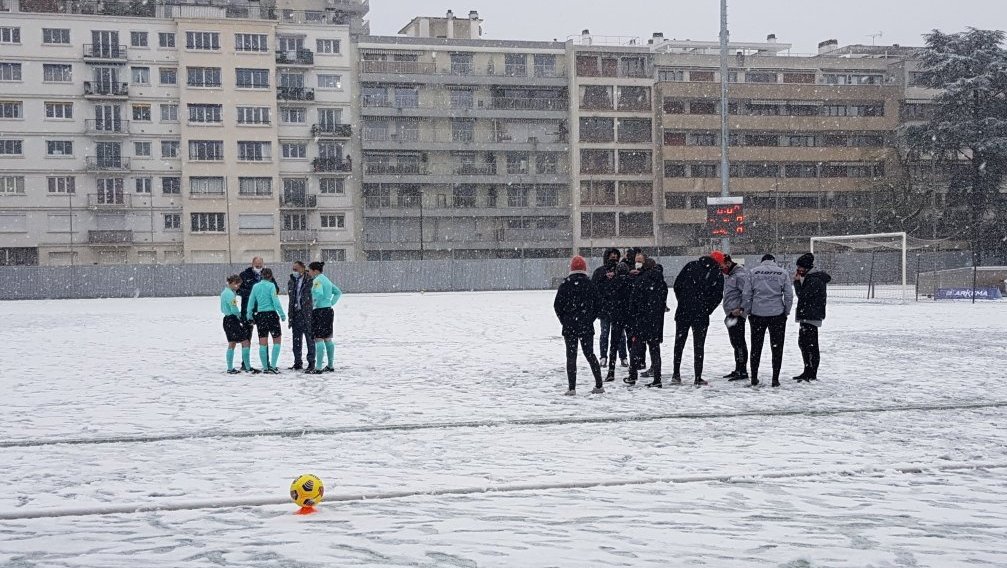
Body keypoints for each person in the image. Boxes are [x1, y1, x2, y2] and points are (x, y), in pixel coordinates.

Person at [553, 255, 605, 395]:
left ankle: (572, 388)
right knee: (590, 354)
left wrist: (564, 320)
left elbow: (557, 305)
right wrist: (589, 318)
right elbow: (598, 305)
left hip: (570, 326)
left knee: (571, 357)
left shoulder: (565, 284)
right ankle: (599, 384)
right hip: (586, 326)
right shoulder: (590, 284)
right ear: (584, 268)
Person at [671, 253, 725, 386]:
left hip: (683, 311)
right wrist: (707, 309)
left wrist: (682, 301)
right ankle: (697, 377)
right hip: (700, 314)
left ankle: (676, 374)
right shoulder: (716, 273)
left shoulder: (690, 265)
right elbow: (717, 296)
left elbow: (677, 285)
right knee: (699, 346)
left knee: (679, 343)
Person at [743, 254, 794, 387]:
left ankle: (754, 377)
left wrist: (748, 310)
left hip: (757, 313)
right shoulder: (782, 273)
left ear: (762, 262)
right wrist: (786, 311)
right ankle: (775, 378)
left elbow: (747, 294)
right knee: (777, 347)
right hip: (777, 314)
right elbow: (788, 295)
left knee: (756, 346)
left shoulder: (753, 272)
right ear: (774, 261)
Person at [626, 255, 669, 388]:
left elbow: (633, 302)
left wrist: (632, 316)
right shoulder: (661, 281)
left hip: (642, 319)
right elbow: (663, 301)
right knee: (655, 349)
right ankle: (657, 378)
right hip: (656, 320)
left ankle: (633, 375)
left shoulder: (640, 280)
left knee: (635, 347)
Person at [793, 253, 832, 382]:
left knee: (809, 345)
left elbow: (802, 295)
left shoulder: (814, 279)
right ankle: (808, 370)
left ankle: (811, 371)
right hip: (809, 315)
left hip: (810, 316)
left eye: (800, 268)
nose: (798, 270)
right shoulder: (813, 278)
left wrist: (797, 283)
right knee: (805, 344)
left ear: (807, 267)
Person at [245, 267, 287, 374]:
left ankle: (265, 367)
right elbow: (275, 300)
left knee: (262, 342)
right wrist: (282, 314)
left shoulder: (255, 287)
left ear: (261, 276)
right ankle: (273, 365)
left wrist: (249, 314)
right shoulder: (271, 286)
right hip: (271, 314)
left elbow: (251, 301)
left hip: (261, 316)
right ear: (271, 276)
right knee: (277, 340)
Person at [592, 248, 627, 368]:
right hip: (605, 309)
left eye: (616, 257)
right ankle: (603, 356)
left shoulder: (622, 271)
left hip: (618, 308)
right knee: (605, 333)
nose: (614, 259)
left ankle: (623, 357)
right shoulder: (599, 272)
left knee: (620, 335)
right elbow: (595, 289)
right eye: (611, 257)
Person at [307, 261, 342, 374]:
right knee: (328, 338)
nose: (309, 273)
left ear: (315, 270)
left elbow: (318, 293)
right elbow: (338, 292)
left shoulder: (317, 281)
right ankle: (330, 365)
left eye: (310, 270)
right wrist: (331, 303)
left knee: (318, 338)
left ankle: (318, 367)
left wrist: (314, 303)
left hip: (320, 311)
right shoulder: (326, 280)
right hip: (328, 310)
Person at [720, 254, 751, 381]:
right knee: (735, 342)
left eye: (721, 266)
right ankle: (739, 368)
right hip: (731, 313)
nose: (720, 269)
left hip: (737, 313)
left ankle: (742, 370)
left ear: (728, 263)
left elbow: (747, 293)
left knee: (739, 343)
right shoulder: (731, 275)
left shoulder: (739, 275)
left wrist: (742, 309)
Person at [604, 263, 633, 383]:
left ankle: (611, 371)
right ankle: (633, 370)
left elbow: (607, 298)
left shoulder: (612, 283)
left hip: (616, 316)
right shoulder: (632, 282)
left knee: (614, 344)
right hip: (629, 316)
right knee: (631, 343)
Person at [220, 274, 254, 374]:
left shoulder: (224, 292)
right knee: (245, 341)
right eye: (238, 285)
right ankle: (248, 367)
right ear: (233, 283)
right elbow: (234, 308)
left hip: (226, 320)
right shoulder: (230, 294)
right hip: (232, 320)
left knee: (232, 342)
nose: (238, 287)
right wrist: (239, 316)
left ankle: (230, 368)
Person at [237, 256, 265, 371]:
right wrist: (252, 293)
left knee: (263, 338)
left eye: (260, 265)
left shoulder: (266, 275)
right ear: (252, 264)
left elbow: (275, 288)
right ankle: (245, 363)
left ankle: (265, 363)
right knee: (246, 337)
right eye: (256, 265)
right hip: (247, 310)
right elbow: (237, 289)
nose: (258, 267)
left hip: (263, 310)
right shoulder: (244, 275)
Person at [287, 261, 315, 372]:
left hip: (307, 314)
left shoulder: (310, 280)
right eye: (293, 269)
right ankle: (297, 362)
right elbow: (291, 299)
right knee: (296, 340)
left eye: (296, 269)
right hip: (296, 313)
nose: (295, 271)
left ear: (303, 269)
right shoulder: (292, 281)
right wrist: (290, 315)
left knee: (310, 339)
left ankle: (311, 362)